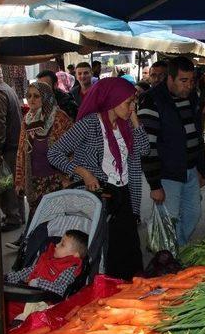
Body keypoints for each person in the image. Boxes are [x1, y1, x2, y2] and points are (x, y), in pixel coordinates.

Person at [48, 78, 148, 280]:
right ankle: (108, 295)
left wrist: (135, 118)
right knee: (106, 251)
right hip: (101, 195)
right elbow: (54, 152)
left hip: (124, 194)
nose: (132, 107)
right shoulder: (90, 124)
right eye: (128, 103)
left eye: (134, 103)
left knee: (130, 250)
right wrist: (83, 173)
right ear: (112, 100)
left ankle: (129, 292)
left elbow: (144, 149)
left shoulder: (126, 125)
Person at [138, 56, 205, 246]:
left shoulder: (192, 97)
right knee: (168, 220)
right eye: (183, 81)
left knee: (193, 213)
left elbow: (198, 136)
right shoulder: (151, 100)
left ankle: (177, 249)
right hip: (167, 174)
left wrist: (201, 169)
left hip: (191, 170)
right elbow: (147, 146)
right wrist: (154, 185)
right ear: (170, 78)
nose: (188, 86)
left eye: (191, 81)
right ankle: (167, 258)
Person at [7, 82, 74, 249]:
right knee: (37, 218)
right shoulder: (28, 119)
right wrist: (20, 180)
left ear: (46, 97)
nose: (31, 100)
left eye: (36, 96)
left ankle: (45, 252)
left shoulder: (59, 117)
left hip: (56, 180)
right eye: (29, 95)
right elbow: (21, 152)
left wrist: (68, 177)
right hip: (35, 180)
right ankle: (33, 250)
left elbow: (73, 149)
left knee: (54, 223)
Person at [0, 65, 24, 232]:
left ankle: (13, 217)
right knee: (14, 183)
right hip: (13, 144)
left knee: (6, 184)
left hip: (7, 147)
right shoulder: (7, 88)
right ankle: (18, 215)